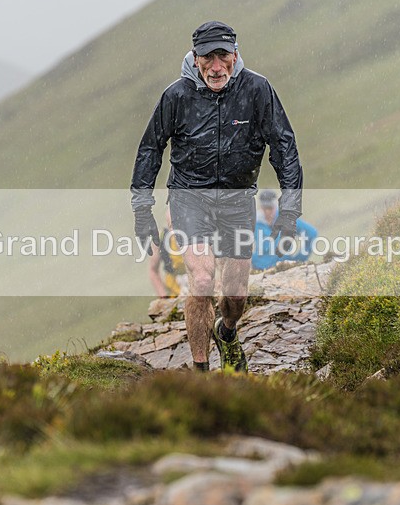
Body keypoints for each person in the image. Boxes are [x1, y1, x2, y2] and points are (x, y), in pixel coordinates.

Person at [131, 20, 304, 372]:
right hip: (188, 198)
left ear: (234, 55)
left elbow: (284, 148)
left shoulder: (257, 90)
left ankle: (227, 332)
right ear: (195, 59)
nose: (215, 66)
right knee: (203, 278)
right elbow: (151, 149)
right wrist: (142, 211)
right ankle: (201, 372)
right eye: (206, 57)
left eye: (222, 56)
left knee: (236, 293)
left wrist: (289, 211)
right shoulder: (176, 96)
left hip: (238, 199)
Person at [252, 190, 318, 271]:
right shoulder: (254, 222)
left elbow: (311, 233)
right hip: (259, 270)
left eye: (270, 208)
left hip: (283, 269)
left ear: (276, 206)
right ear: (261, 207)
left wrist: (298, 259)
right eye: (265, 208)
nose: (267, 212)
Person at [148, 209, 186, 298]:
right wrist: (164, 298)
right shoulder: (162, 239)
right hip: (175, 298)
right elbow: (152, 270)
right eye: (172, 226)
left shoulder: (201, 237)